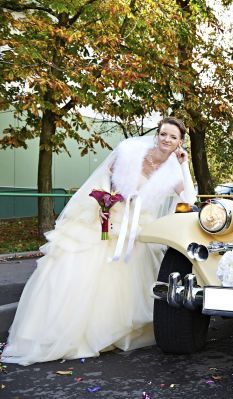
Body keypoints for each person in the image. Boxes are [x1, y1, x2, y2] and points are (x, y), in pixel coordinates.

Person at [1, 117, 197, 365]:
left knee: (125, 281)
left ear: (180, 142)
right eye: (163, 134)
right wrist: (106, 201)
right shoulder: (130, 151)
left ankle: (112, 331)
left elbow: (189, 199)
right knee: (80, 269)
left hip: (137, 229)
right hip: (107, 218)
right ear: (157, 135)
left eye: (173, 137)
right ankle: (62, 332)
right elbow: (105, 175)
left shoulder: (173, 173)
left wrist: (184, 166)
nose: (166, 140)